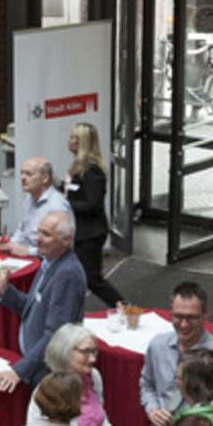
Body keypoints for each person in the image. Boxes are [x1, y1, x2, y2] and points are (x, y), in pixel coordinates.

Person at [0, 212, 86, 392]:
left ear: (66, 240)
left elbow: (55, 335)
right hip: (37, 366)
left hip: (48, 375)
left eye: (46, 234)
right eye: (39, 232)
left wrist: (19, 371)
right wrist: (5, 290)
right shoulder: (49, 262)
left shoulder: (67, 275)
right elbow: (34, 307)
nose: (38, 239)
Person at [139, 282, 213, 426]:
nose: (183, 324)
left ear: (205, 314)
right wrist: (153, 409)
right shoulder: (157, 346)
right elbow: (147, 384)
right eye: (178, 316)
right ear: (170, 312)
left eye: (191, 318)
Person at [26, 324, 116, 426]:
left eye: (94, 351)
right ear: (64, 352)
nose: (92, 359)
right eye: (85, 352)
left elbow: (100, 412)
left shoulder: (94, 377)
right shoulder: (47, 393)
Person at [65, 123, 124, 307]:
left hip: (91, 233)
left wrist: (65, 203)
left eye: (77, 138)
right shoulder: (77, 166)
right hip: (80, 232)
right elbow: (76, 193)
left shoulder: (93, 170)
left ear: (86, 143)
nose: (71, 141)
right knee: (75, 276)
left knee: (92, 279)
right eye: (71, 137)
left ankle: (124, 307)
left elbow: (93, 204)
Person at [0, 158, 73, 257]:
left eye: (28, 174)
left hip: (47, 262)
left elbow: (60, 248)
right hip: (30, 256)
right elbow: (23, 230)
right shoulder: (30, 198)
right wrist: (9, 244)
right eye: (21, 173)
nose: (22, 178)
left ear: (45, 178)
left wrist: (29, 251)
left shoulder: (58, 206)